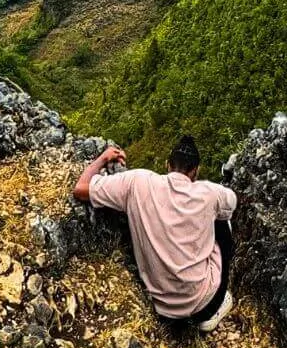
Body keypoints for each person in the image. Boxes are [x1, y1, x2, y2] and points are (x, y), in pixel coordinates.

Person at [73, 133, 236, 333]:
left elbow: (80, 189)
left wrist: (103, 158)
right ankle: (217, 307)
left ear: (168, 165)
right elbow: (231, 201)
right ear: (196, 171)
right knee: (222, 220)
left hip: (162, 309)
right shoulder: (210, 194)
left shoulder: (137, 182)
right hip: (203, 307)